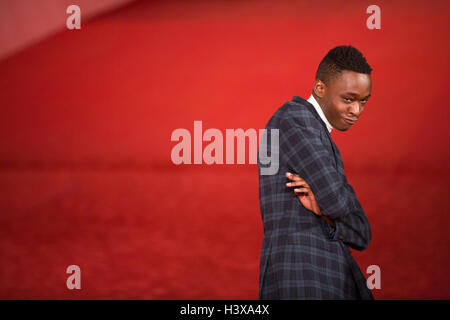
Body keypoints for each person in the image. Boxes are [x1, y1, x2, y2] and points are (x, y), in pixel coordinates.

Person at [257, 45, 373, 299]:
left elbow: (363, 233)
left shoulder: (317, 132)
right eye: (348, 99)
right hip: (302, 280)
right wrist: (333, 203)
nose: (357, 111)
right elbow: (337, 200)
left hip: (326, 280)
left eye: (363, 101)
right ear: (320, 88)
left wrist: (326, 213)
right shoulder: (295, 119)